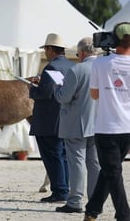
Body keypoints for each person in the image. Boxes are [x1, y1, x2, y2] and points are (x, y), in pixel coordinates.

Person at [84, 22, 130, 221]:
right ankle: (92, 211)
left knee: (113, 172)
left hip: (107, 127)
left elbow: (94, 95)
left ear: (114, 39)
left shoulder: (100, 64)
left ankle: (124, 215)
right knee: (110, 171)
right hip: (127, 127)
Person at [53, 37, 101, 213]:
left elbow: (63, 97)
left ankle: (75, 201)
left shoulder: (77, 70)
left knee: (77, 163)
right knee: (95, 163)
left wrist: (57, 88)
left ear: (81, 53)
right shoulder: (104, 67)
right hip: (99, 122)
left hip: (76, 123)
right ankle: (96, 201)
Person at [29, 33, 75, 202]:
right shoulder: (71, 66)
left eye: (45, 49)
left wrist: (32, 87)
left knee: (52, 155)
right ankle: (65, 188)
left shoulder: (50, 67)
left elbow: (44, 93)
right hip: (66, 117)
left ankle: (60, 191)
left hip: (49, 120)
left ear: (50, 49)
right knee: (63, 155)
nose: (45, 53)